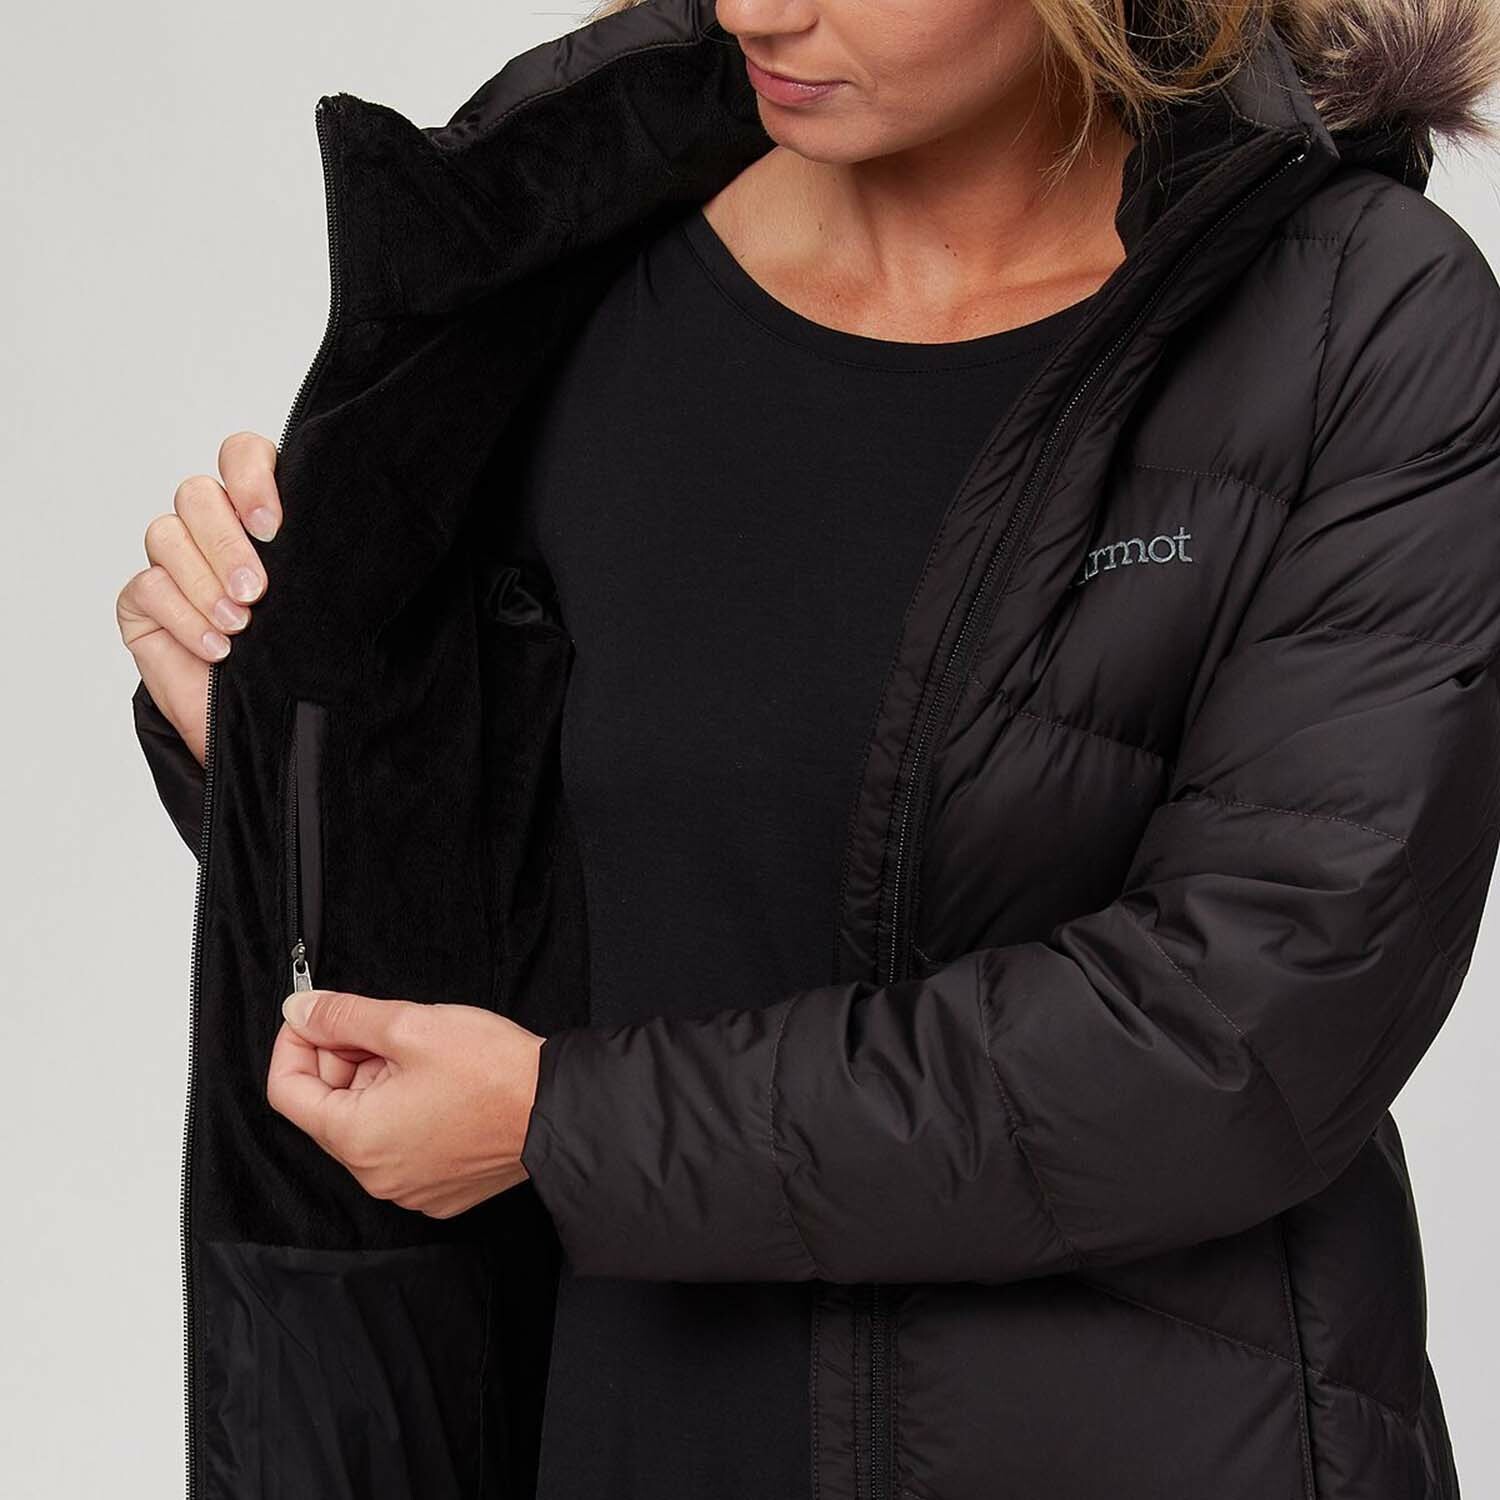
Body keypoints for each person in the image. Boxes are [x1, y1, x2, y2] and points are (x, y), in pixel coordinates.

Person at [116, 1, 1500, 1497]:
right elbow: (546, 935)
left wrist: (565, 1127)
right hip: (618, 1443)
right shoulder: (569, 266)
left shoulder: (1354, 317)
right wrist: (296, 750)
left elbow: (1238, 1034)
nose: (754, 9)